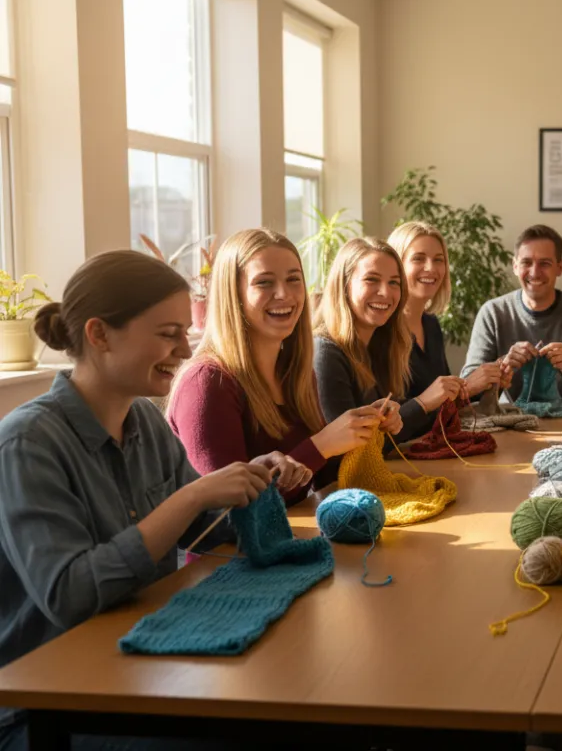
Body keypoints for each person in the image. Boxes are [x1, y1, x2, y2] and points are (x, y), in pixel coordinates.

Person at [0, 252, 307, 751]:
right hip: (45, 709)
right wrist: (193, 495)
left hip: (142, 667)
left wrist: (254, 482)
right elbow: (71, 595)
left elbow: (205, 529)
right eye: (168, 334)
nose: (185, 350)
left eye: (185, 332)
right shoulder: (26, 444)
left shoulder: (143, 421)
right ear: (99, 335)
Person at [168, 229, 381, 505]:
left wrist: (365, 430)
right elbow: (227, 515)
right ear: (233, 296)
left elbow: (322, 478)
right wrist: (322, 445)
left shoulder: (296, 371)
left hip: (295, 537)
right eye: (264, 283)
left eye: (294, 279)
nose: (284, 294)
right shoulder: (207, 382)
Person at [462, 224, 562, 403]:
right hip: (514, 421)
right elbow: (468, 389)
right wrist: (503, 365)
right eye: (526, 262)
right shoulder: (492, 313)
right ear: (515, 266)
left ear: (560, 267)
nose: (534, 272)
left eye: (545, 263)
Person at [387, 221, 506, 439]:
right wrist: (467, 387)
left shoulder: (431, 324)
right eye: (418, 258)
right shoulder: (383, 331)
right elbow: (389, 428)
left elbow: (444, 407)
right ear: (395, 265)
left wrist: (490, 383)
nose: (431, 268)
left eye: (438, 260)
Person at [313, 238, 407, 440]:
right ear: (344, 286)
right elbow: (345, 452)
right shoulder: (326, 353)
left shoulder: (381, 345)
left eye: (394, 282)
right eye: (371, 280)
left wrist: (389, 422)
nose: (385, 292)